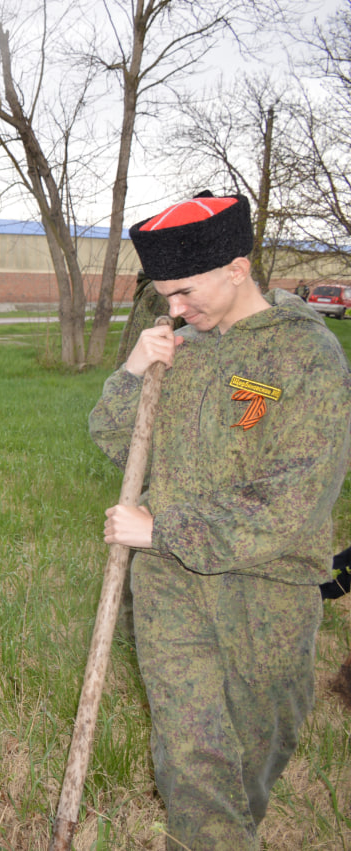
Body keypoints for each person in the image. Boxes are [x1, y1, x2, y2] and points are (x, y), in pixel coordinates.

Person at [90, 192, 351, 851]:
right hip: (171, 591)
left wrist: (162, 528)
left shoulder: (309, 361)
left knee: (256, 752)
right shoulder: (181, 348)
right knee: (192, 763)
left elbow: (292, 505)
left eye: (181, 293)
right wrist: (132, 371)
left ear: (238, 268)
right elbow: (115, 440)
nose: (173, 309)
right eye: (163, 296)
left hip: (268, 598)